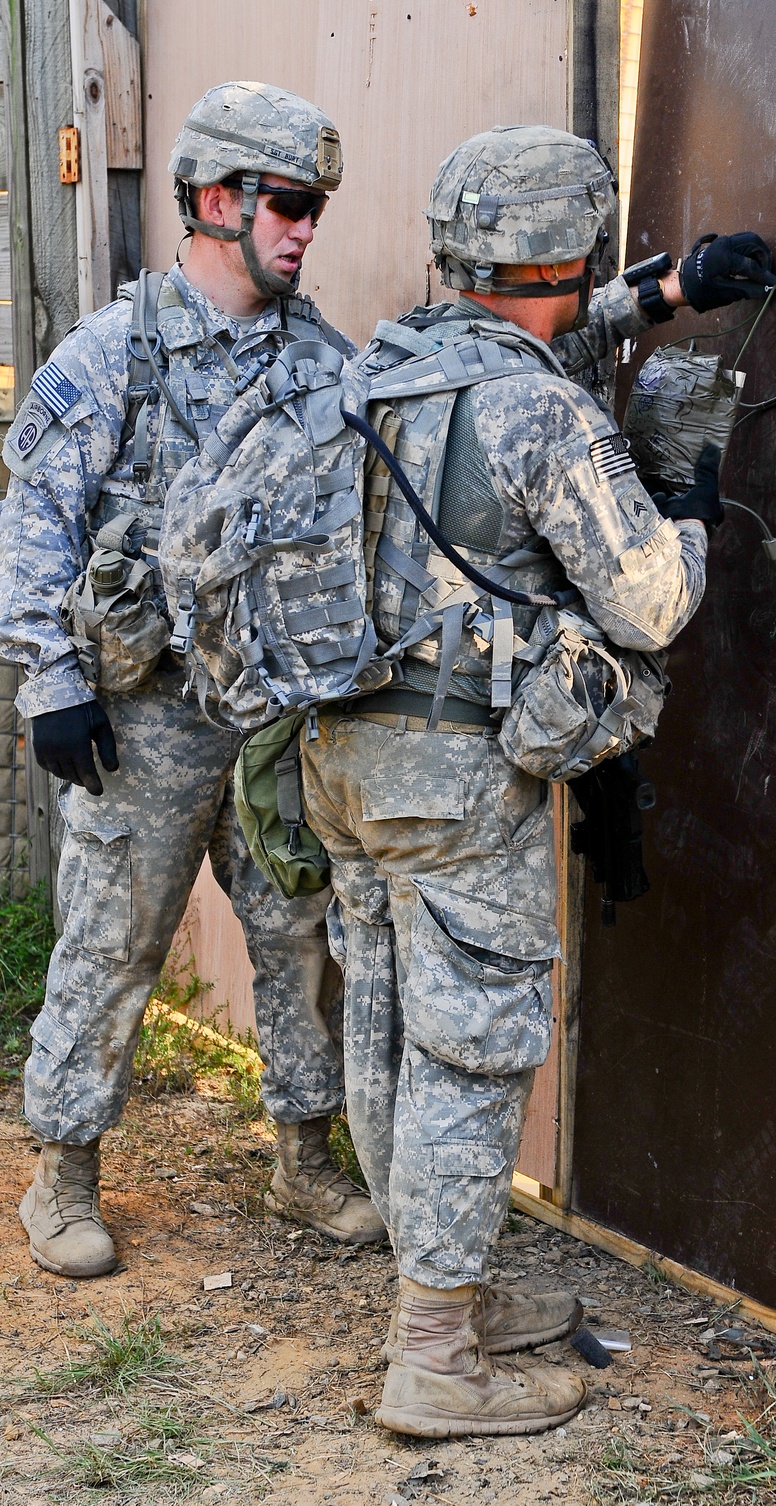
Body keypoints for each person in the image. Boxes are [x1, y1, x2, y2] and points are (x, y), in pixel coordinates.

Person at [288, 126, 776, 1436]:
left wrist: (663, 295)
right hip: (456, 781)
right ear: (569, 250)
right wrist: (684, 488)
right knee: (475, 1048)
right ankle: (435, 1359)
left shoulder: (377, 368)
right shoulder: (541, 412)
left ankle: (432, 1298)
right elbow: (654, 599)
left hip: (339, 758)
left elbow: (531, 336)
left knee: (391, 1020)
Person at [0, 81, 385, 1280]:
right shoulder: (113, 352)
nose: (306, 227)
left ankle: (303, 1162)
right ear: (216, 202)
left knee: (300, 937)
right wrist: (50, 683)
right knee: (113, 942)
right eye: (287, 203)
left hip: (273, 721)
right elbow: (35, 528)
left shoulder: (324, 360)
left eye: (315, 206)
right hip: (145, 717)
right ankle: (61, 1175)